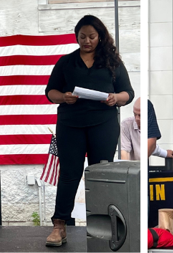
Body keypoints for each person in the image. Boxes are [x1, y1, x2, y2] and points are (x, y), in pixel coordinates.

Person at [44, 15, 134, 247]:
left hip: (103, 124)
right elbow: (50, 92)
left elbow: (128, 93)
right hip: (70, 124)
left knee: (101, 174)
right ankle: (59, 226)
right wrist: (63, 97)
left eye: (92, 37)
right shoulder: (66, 62)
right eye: (82, 36)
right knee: (69, 174)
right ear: (76, 36)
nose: (87, 41)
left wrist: (116, 98)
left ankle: (106, 227)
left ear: (100, 37)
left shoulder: (113, 62)